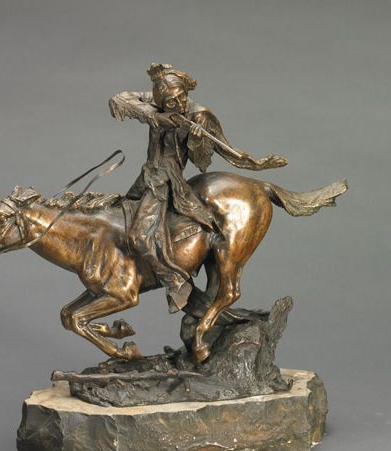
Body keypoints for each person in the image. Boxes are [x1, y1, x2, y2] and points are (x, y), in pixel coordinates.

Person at [109, 63, 285, 313]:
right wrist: (155, 116)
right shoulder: (158, 105)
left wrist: (196, 139)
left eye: (181, 97)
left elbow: (212, 156)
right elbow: (119, 99)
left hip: (166, 180)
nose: (178, 104)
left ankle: (175, 281)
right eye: (170, 101)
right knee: (120, 220)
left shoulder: (200, 116)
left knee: (139, 236)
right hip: (146, 177)